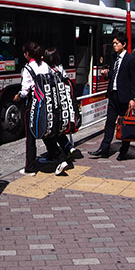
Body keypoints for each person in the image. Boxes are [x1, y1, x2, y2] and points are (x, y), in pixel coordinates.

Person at [88, 32, 135, 161]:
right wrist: (106, 73)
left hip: (124, 97)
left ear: (124, 44)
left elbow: (133, 81)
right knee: (109, 122)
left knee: (124, 124)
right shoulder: (113, 57)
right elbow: (113, 74)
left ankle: (124, 150)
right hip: (113, 95)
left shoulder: (130, 60)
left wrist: (133, 98)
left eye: (117, 43)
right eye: (113, 43)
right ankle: (104, 149)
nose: (114, 46)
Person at [42, 47, 83, 175]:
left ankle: (58, 158)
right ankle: (68, 147)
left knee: (47, 133)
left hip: (52, 109)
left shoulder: (47, 72)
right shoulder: (61, 70)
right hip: (63, 108)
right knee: (58, 131)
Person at [13, 41, 49, 176]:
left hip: (33, 104)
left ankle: (30, 167)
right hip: (47, 103)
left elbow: (25, 90)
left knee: (30, 136)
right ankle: (56, 155)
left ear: (28, 54)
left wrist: (18, 97)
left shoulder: (28, 68)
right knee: (46, 129)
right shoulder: (45, 65)